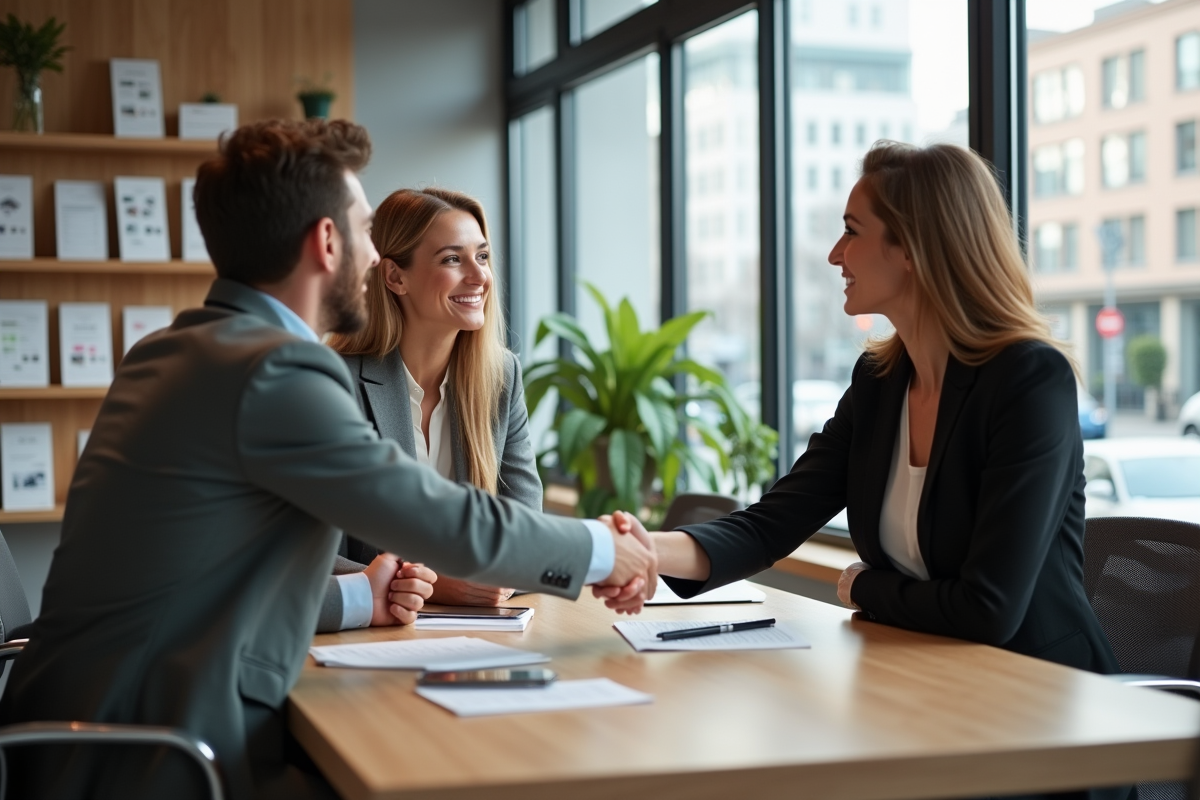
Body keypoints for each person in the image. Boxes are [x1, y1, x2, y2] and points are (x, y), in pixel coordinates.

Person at [0, 119, 655, 800]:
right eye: (367, 229)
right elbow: (434, 516)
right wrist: (607, 551)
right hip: (149, 749)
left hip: (92, 722)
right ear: (326, 241)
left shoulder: (178, 348)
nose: (377, 257)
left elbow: (211, 569)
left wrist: (359, 594)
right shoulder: (274, 370)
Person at [601, 141, 1126, 800]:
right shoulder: (880, 382)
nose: (834, 255)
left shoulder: (1028, 380)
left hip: (1043, 720)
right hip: (931, 698)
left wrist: (863, 585)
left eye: (852, 232)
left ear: (912, 247)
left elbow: (988, 610)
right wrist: (639, 553)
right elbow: (772, 523)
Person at [315, 188, 539, 633]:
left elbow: (525, 528)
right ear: (396, 277)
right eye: (452, 260)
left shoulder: (502, 377)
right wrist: (436, 584)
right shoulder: (333, 381)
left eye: (483, 256)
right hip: (366, 636)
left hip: (479, 634)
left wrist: (500, 576)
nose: (479, 276)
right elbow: (308, 550)